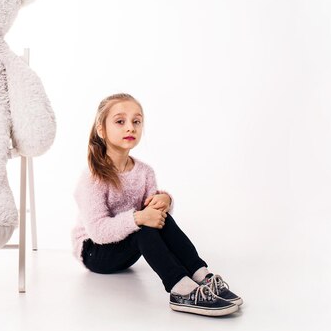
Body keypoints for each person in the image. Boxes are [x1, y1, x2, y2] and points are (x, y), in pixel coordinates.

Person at [71, 93, 243, 317]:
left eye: (136, 121)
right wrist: (138, 218)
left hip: (128, 246)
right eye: (120, 121)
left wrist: (164, 201)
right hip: (95, 252)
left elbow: (155, 217)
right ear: (101, 130)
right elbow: (99, 231)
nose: (130, 128)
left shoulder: (144, 172)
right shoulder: (92, 178)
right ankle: (180, 289)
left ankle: (202, 274)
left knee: (160, 220)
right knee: (143, 228)